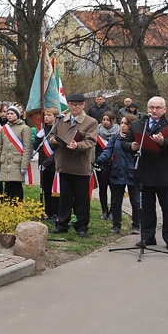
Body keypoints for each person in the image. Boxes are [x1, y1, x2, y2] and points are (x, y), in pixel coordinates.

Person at [122, 96, 168, 250]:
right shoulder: (138, 124)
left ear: (164, 109)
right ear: (147, 108)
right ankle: (148, 237)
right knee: (146, 208)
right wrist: (132, 147)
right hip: (145, 172)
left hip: (165, 174)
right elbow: (125, 143)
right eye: (151, 107)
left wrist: (163, 142)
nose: (154, 111)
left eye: (158, 108)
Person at [49, 93, 98, 237]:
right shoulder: (61, 120)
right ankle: (62, 224)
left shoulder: (90, 122)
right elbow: (51, 135)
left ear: (83, 105)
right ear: (68, 105)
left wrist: (78, 145)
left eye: (77, 104)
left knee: (82, 198)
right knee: (65, 197)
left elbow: (91, 141)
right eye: (71, 104)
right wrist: (54, 141)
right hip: (64, 163)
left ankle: (82, 226)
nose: (74, 107)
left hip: (80, 165)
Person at [96, 114, 141, 234]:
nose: (122, 126)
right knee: (116, 201)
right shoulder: (116, 137)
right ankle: (116, 225)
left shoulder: (137, 139)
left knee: (135, 201)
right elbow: (108, 150)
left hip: (133, 173)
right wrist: (100, 159)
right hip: (117, 171)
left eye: (126, 123)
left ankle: (136, 225)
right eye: (121, 123)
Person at [0, 104, 32, 202]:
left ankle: (17, 209)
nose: (9, 115)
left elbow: (27, 148)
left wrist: (24, 165)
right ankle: (8, 210)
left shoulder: (25, 128)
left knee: (16, 187)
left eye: (12, 113)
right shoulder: (3, 129)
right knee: (7, 188)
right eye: (8, 113)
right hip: (5, 162)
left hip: (17, 162)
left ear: (17, 115)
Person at [33, 107, 60, 222]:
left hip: (54, 165)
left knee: (55, 191)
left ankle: (56, 213)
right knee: (46, 189)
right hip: (43, 164)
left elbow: (58, 151)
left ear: (55, 117)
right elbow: (36, 148)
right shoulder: (43, 131)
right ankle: (48, 212)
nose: (46, 117)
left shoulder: (58, 130)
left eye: (49, 115)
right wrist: (38, 138)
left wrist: (47, 163)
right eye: (45, 115)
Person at [95, 111, 119, 219]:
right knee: (103, 188)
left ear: (113, 120)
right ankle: (104, 210)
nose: (105, 122)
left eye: (107, 120)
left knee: (114, 188)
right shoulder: (97, 131)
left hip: (115, 164)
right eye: (104, 120)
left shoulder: (118, 132)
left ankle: (113, 211)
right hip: (102, 163)